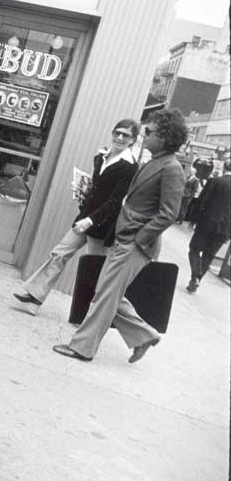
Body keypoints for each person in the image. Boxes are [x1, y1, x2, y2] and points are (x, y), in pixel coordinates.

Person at [53, 109, 188, 363]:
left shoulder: (171, 169)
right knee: (107, 291)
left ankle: (82, 348)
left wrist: (140, 238)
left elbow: (169, 213)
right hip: (124, 238)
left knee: (105, 295)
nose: (143, 135)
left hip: (135, 244)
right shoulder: (154, 161)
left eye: (149, 132)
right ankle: (144, 335)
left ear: (165, 136)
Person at [13, 119, 140, 313]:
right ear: (112, 133)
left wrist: (90, 220)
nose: (120, 138)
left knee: (99, 273)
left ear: (133, 140)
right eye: (117, 133)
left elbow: (115, 202)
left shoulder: (129, 167)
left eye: (126, 135)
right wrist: (83, 192)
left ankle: (123, 319)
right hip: (84, 218)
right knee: (59, 254)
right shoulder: (101, 157)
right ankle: (35, 298)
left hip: (101, 225)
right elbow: (97, 189)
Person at [186, 158, 231, 292]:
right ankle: (197, 279)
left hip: (207, 223)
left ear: (224, 167)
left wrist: (193, 220)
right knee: (209, 255)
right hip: (225, 229)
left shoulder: (215, 181)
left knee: (194, 249)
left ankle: (195, 276)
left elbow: (202, 202)